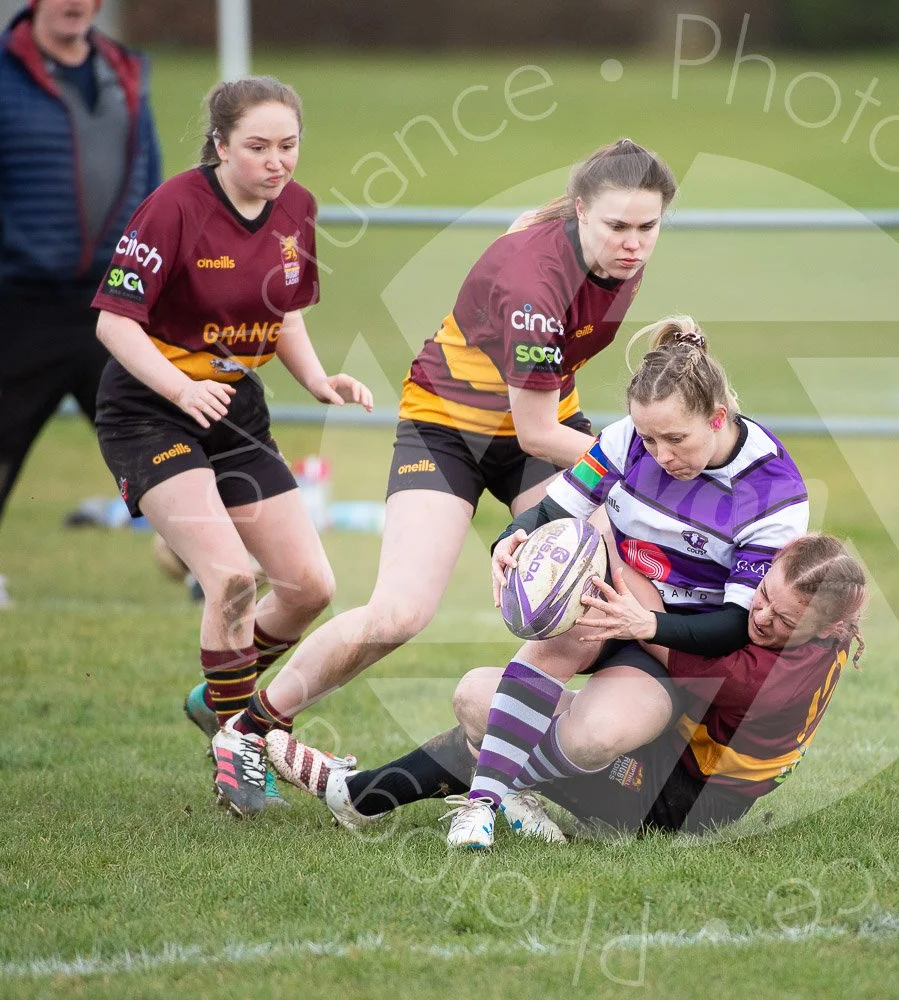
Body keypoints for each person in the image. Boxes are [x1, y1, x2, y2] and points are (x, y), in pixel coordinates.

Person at [201, 140, 678, 811]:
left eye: (647, 227)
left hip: (535, 424)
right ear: (578, 213)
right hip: (449, 429)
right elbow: (540, 433)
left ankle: (539, 769)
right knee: (400, 613)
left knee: (596, 591)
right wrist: (643, 455)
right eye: (617, 227)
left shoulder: (606, 254)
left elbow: (538, 421)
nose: (633, 243)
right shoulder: (536, 289)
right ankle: (249, 731)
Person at [91, 76, 373, 817]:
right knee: (233, 581)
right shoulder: (173, 208)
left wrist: (317, 379)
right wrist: (181, 390)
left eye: (288, 146)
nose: (276, 162)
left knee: (310, 586)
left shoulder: (297, 210)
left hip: (234, 411)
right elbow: (114, 325)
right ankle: (238, 750)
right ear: (219, 144)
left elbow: (282, 312)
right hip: (150, 411)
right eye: (257, 147)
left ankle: (218, 697)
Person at [443, 316, 810, 847]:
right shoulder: (622, 441)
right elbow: (552, 507)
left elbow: (734, 625)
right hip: (614, 601)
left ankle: (491, 780)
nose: (660, 455)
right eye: (648, 437)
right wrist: (510, 539)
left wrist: (647, 624)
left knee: (593, 737)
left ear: (717, 418)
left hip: (675, 643)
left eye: (675, 440)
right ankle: (482, 805)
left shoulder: (774, 493)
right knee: (473, 697)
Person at [266, 534, 866, 839]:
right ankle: (489, 793)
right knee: (485, 697)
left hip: (680, 799)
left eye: (784, 622)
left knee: (490, 713)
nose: (759, 619)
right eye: (763, 597)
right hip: (666, 748)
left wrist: (637, 613)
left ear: (831, 628)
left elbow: (690, 650)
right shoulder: (788, 611)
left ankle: (359, 795)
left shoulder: (783, 679)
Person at [0, 0, 162, 607]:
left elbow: (156, 183)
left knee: (152, 433)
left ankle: (202, 567)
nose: (75, 3)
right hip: (24, 298)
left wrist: (164, 272)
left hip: (112, 303)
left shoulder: (124, 72)